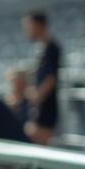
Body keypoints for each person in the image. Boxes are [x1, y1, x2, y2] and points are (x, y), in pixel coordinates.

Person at [22, 11, 61, 144]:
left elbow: (51, 78)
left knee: (41, 143)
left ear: (39, 25)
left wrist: (37, 96)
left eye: (29, 26)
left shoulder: (51, 47)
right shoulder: (38, 48)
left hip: (46, 106)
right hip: (38, 106)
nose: (27, 30)